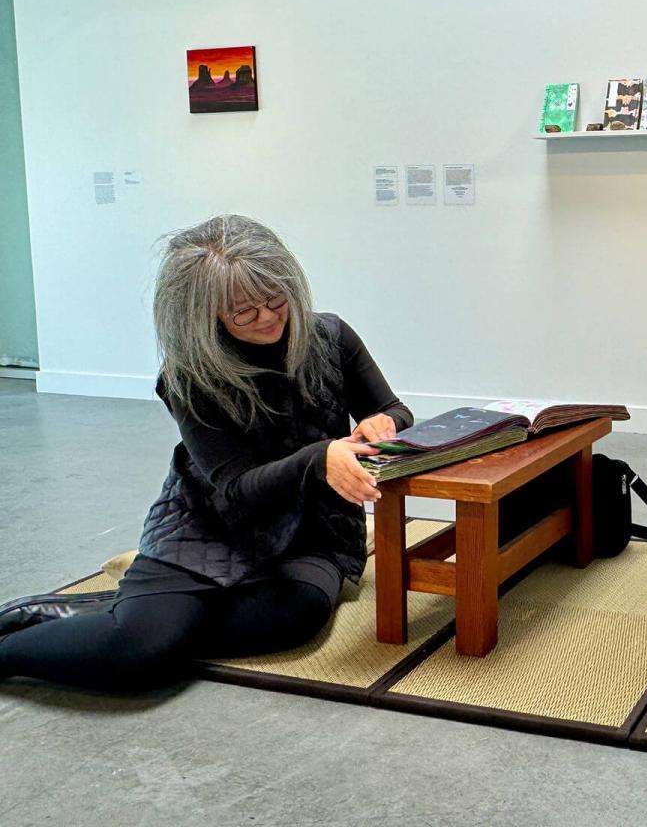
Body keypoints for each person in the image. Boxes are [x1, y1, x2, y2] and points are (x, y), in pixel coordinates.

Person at [0, 214, 413, 691]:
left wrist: (383, 423)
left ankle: (116, 613)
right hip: (206, 525)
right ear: (205, 314)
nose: (267, 317)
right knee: (137, 653)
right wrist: (318, 457)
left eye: (275, 299)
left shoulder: (331, 337)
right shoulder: (191, 375)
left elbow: (394, 409)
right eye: (244, 311)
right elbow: (237, 493)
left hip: (312, 534)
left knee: (295, 617)